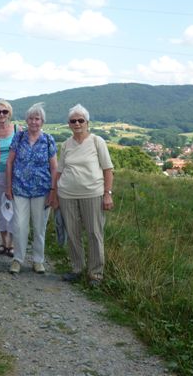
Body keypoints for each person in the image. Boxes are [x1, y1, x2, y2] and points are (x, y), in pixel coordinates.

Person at [53, 103, 114, 288]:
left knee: (94, 233)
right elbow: (59, 171)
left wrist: (107, 194)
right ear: (69, 124)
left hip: (92, 194)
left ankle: (96, 274)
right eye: (73, 121)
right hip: (67, 195)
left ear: (87, 122)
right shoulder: (66, 145)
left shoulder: (97, 141)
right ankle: (77, 268)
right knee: (73, 233)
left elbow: (108, 170)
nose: (77, 123)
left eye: (81, 120)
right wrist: (54, 194)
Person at [5, 103, 57, 275]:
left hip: (42, 190)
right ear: (26, 120)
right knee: (19, 226)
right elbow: (10, 162)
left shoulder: (48, 140)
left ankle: (38, 260)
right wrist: (8, 186)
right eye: (31, 118)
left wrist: (53, 191)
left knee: (39, 227)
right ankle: (17, 259)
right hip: (19, 188)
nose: (34, 122)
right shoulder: (19, 137)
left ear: (42, 121)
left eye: (37, 119)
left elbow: (54, 167)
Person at [0, 99, 20, 257]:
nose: (1, 114)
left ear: (9, 113)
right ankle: (4, 242)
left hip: (13, 176)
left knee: (13, 210)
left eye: (4, 111)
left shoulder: (17, 129)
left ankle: (12, 244)